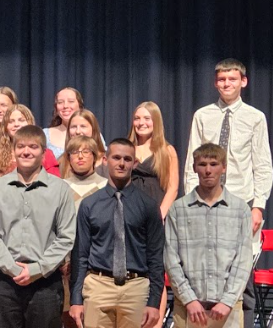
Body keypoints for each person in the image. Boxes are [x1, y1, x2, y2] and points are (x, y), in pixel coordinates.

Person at [183, 58, 272, 327]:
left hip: (241, 203)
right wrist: (190, 201)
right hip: (205, 202)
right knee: (204, 271)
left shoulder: (255, 118)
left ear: (243, 82)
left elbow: (262, 164)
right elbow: (191, 163)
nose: (226, 84)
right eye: (221, 80)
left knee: (241, 277)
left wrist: (258, 205)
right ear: (215, 82)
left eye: (232, 79)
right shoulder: (203, 115)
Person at [0, 125, 76, 328]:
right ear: (13, 150)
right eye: (21, 146)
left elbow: (66, 237)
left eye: (33, 147)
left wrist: (37, 269)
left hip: (45, 283)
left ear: (43, 152)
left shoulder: (60, 190)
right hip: (6, 282)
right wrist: (12, 268)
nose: (26, 151)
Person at [68, 138, 165, 328]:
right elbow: (80, 255)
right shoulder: (90, 204)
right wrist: (76, 299)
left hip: (135, 287)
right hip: (98, 285)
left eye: (127, 159)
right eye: (116, 157)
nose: (121, 163)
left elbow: (156, 256)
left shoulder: (148, 205)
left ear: (135, 163)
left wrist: (154, 301)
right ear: (105, 160)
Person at [166, 143, 253, 328]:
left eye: (214, 164)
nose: (208, 170)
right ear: (194, 167)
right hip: (188, 307)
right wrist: (189, 299)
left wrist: (227, 300)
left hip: (227, 308)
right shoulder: (178, 209)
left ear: (224, 167)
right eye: (202, 164)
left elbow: (244, 259)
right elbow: (171, 259)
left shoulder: (240, 209)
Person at [58, 136, 109, 327]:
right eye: (74, 152)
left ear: (95, 157)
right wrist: (63, 259)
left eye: (85, 151)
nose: (80, 157)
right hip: (67, 264)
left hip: (98, 265)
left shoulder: (106, 186)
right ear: (68, 158)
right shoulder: (60, 187)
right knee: (70, 317)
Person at [126, 101, 179, 219]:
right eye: (137, 118)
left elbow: (173, 188)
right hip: (130, 212)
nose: (141, 123)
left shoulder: (167, 151)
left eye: (146, 118)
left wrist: (160, 215)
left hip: (156, 211)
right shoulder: (126, 148)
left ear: (156, 121)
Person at [0, 104, 61, 177]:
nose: (16, 124)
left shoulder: (46, 154)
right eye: (11, 121)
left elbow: (54, 182)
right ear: (5, 127)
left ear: (30, 123)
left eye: (21, 120)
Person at [44, 87, 84, 157]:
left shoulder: (91, 132)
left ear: (79, 106)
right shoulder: (45, 134)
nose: (65, 106)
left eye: (71, 101)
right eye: (60, 102)